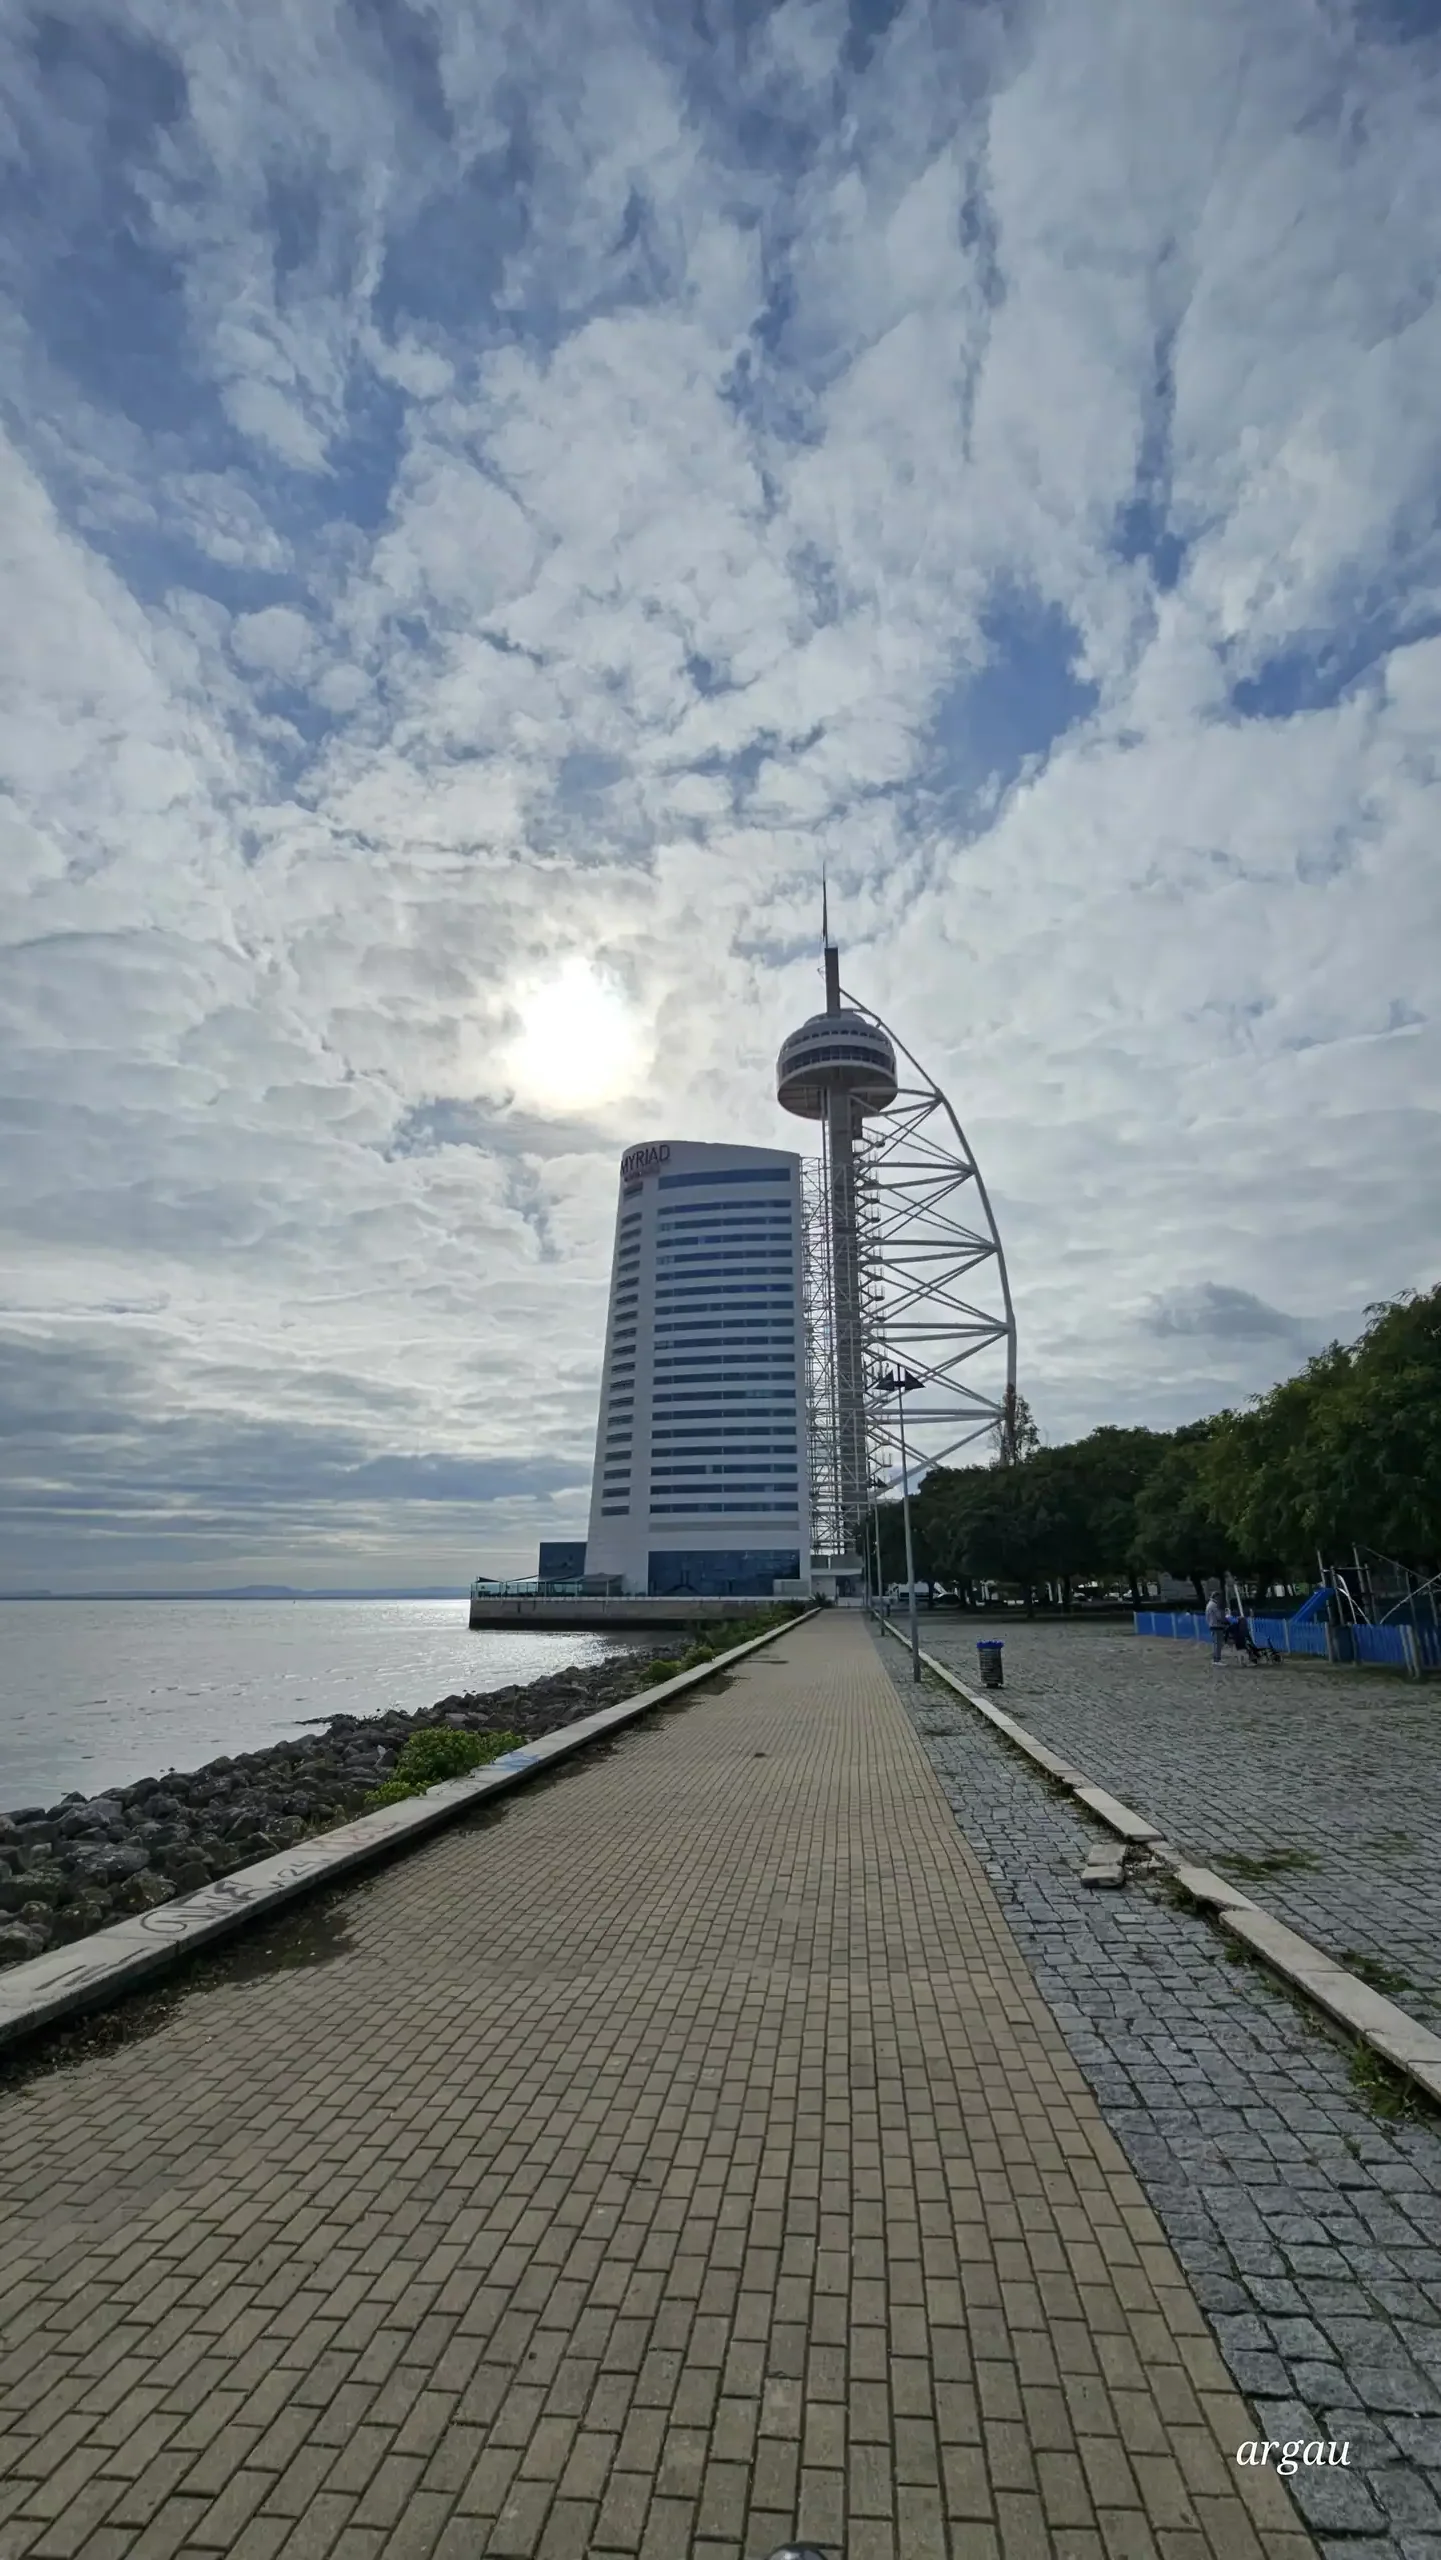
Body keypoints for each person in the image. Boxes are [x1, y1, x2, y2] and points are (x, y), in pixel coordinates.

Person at [1205, 1587, 1227, 1663]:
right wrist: (1225, 1620)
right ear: (1216, 1597)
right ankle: (1217, 1660)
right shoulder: (1214, 1605)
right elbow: (1219, 1617)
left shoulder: (1209, 1604)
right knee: (1218, 1644)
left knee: (1216, 1643)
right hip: (1217, 1626)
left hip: (1212, 1625)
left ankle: (1216, 1658)